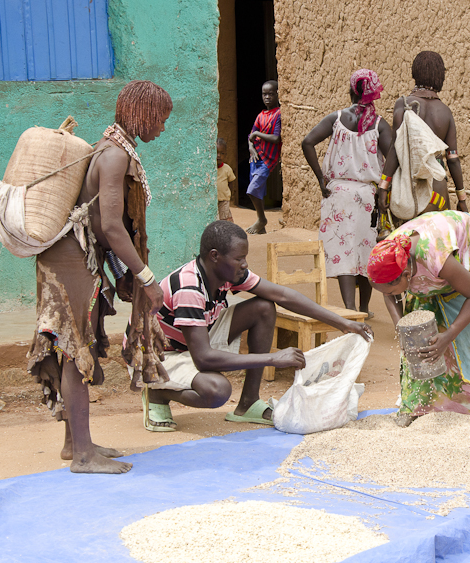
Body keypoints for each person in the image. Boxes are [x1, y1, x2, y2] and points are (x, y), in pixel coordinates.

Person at [28, 80, 173, 473]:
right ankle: (82, 456)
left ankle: (75, 443)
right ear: (142, 113)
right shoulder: (114, 156)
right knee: (77, 353)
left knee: (80, 346)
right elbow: (111, 226)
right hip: (73, 260)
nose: (161, 128)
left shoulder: (112, 147)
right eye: (159, 119)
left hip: (78, 257)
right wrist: (145, 277)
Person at [143, 220, 374, 431]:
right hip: (162, 354)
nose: (244, 264)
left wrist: (344, 323)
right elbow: (204, 359)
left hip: (198, 334)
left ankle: (248, 403)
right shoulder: (189, 288)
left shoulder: (227, 274)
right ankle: (158, 393)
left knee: (264, 307)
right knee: (217, 390)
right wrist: (272, 358)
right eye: (238, 258)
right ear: (215, 256)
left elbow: (283, 295)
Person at [368, 210, 470, 426]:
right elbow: (388, 293)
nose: (388, 295)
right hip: (433, 266)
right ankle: (417, 406)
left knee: (463, 339)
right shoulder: (387, 256)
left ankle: (464, 410)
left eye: (391, 291)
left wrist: (450, 335)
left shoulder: (433, 256)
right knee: (418, 339)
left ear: (408, 276)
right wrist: (400, 327)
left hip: (469, 258)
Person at [302, 69, 394, 315]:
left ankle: (350, 309)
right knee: (366, 250)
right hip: (367, 196)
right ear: (373, 94)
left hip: (338, 195)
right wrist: (385, 189)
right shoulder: (380, 125)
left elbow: (307, 142)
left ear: (352, 90)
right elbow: (394, 157)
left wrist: (322, 180)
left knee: (344, 252)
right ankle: (363, 308)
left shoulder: (337, 118)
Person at [377, 51, 468, 225]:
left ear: (415, 73)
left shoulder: (403, 105)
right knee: (435, 247)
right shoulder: (445, 112)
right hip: (437, 190)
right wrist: (461, 198)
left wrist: (383, 186)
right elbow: (453, 159)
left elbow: (396, 150)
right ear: (439, 77)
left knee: (408, 246)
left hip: (409, 188)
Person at [246, 81, 281, 234]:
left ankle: (262, 219)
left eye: (271, 94)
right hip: (256, 158)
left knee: (252, 189)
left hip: (268, 159)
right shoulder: (261, 115)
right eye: (264, 94)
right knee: (257, 190)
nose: (267, 97)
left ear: (277, 94)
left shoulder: (278, 114)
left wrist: (257, 135)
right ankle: (262, 227)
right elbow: (250, 137)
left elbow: (276, 138)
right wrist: (251, 147)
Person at [216, 138, 236, 223]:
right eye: (216, 152)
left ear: (226, 155)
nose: (219, 155)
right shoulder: (209, 170)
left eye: (222, 153)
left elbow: (231, 182)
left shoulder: (227, 169)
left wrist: (229, 195)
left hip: (224, 200)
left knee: (224, 219)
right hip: (213, 200)